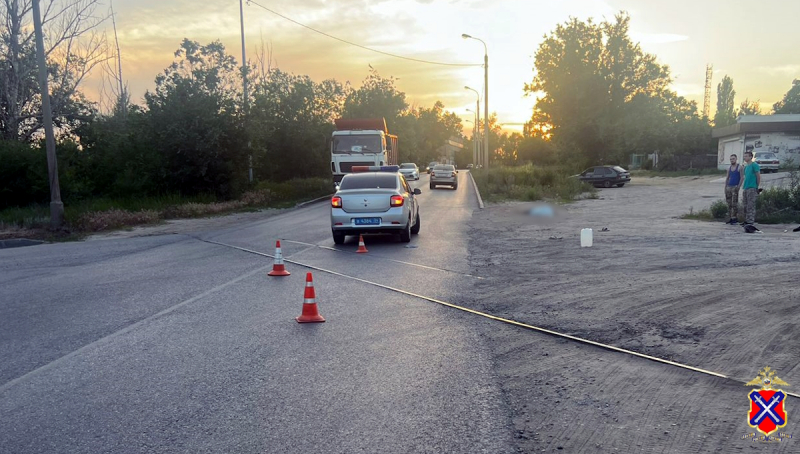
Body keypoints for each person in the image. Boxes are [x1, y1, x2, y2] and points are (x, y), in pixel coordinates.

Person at [741, 151, 761, 232]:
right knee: (745, 205)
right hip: (746, 187)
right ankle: (746, 220)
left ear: (750, 157)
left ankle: (750, 221)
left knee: (751, 205)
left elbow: (758, 176)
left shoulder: (754, 165)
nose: (745, 157)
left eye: (746, 156)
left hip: (752, 187)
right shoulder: (746, 167)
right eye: (744, 156)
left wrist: (757, 186)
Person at [723, 154, 742, 225]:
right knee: (729, 203)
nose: (732, 160)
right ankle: (730, 218)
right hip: (729, 187)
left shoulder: (739, 167)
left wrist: (738, 186)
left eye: (733, 159)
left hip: (735, 186)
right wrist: (725, 187)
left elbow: (742, 177)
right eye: (731, 159)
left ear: (736, 159)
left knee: (734, 203)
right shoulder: (729, 168)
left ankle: (734, 218)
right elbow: (727, 178)